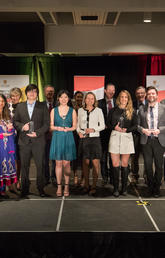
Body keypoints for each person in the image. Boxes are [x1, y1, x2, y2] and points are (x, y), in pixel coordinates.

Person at [13, 84, 50, 198]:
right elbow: (15, 122)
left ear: (37, 93)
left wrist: (37, 133)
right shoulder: (20, 106)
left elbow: (46, 124)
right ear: (26, 93)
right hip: (24, 141)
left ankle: (40, 188)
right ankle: (24, 190)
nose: (32, 93)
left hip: (38, 141)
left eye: (34, 91)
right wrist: (22, 127)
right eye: (30, 91)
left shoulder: (43, 106)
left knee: (40, 166)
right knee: (24, 166)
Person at [107, 90, 137, 197]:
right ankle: (115, 188)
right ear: (119, 98)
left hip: (127, 138)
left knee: (124, 164)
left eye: (126, 97)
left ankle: (124, 189)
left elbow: (135, 125)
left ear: (128, 99)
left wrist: (127, 129)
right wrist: (114, 127)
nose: (124, 99)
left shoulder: (132, 111)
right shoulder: (113, 110)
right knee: (115, 164)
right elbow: (108, 123)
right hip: (115, 137)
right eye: (122, 97)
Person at [138, 86, 165, 198]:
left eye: (153, 93)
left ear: (157, 95)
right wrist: (143, 130)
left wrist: (160, 130)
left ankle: (157, 188)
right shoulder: (141, 109)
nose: (151, 95)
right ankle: (150, 187)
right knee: (148, 166)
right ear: (146, 96)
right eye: (149, 94)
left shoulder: (164, 108)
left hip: (159, 141)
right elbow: (137, 125)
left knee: (159, 166)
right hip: (147, 141)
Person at [49, 90, 77, 197]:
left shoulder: (72, 111)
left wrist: (68, 129)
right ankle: (59, 186)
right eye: (62, 97)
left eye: (66, 97)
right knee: (58, 164)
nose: (64, 99)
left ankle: (67, 186)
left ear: (68, 99)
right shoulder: (53, 111)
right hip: (57, 138)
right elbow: (51, 126)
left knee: (67, 164)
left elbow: (75, 126)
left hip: (68, 137)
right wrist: (57, 128)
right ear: (58, 99)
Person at [77, 92, 105, 195]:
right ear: (85, 100)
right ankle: (86, 185)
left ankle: (94, 186)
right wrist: (79, 132)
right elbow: (77, 125)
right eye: (88, 98)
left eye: (92, 98)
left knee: (95, 163)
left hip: (95, 139)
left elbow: (102, 126)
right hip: (84, 139)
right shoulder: (80, 110)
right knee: (85, 163)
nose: (90, 100)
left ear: (94, 100)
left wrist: (93, 129)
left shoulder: (99, 111)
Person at [98, 82, 116, 186]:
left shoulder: (117, 102)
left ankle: (113, 178)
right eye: (109, 90)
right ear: (105, 91)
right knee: (103, 158)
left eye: (113, 90)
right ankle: (104, 177)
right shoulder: (99, 103)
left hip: (114, 134)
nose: (111, 92)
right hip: (103, 134)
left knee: (113, 157)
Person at [0, 94, 17, 198]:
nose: (1, 103)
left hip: (7, 145)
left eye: (2, 101)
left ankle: (2, 190)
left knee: (5, 166)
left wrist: (11, 129)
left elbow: (13, 131)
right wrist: (2, 135)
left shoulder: (8, 116)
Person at [131, 86, 147, 184]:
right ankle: (134, 176)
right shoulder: (131, 104)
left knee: (147, 156)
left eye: (142, 93)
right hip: (135, 135)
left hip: (146, 134)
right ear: (136, 94)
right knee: (135, 157)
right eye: (138, 93)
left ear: (145, 94)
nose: (140, 95)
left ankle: (146, 176)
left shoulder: (150, 104)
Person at [9, 87, 22, 191]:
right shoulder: (7, 108)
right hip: (9, 137)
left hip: (20, 137)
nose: (14, 98)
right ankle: (9, 181)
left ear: (20, 96)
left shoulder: (23, 107)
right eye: (13, 96)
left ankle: (17, 180)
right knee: (10, 160)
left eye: (16, 95)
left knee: (18, 160)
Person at [43, 85, 56, 185]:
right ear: (44, 92)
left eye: (51, 91)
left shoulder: (58, 105)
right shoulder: (40, 105)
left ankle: (54, 177)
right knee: (45, 159)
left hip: (56, 136)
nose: (49, 93)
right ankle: (46, 177)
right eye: (48, 91)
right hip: (43, 136)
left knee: (55, 159)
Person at [72, 91, 84, 186]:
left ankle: (83, 177)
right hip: (74, 135)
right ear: (75, 98)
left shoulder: (85, 108)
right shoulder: (72, 109)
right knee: (75, 157)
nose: (79, 98)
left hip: (83, 135)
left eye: (81, 97)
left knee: (84, 157)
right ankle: (75, 175)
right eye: (78, 97)